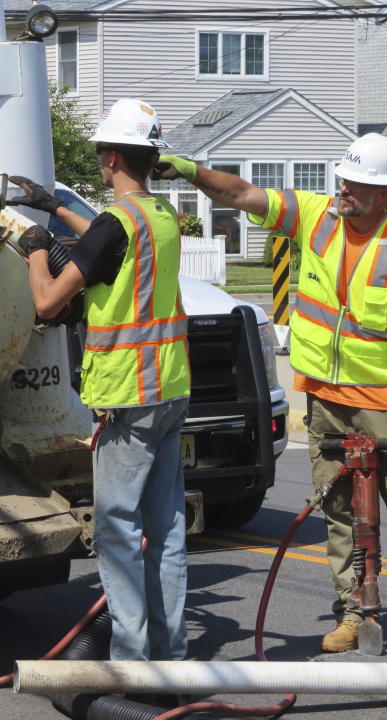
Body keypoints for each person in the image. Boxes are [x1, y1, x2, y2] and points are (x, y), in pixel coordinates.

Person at [151, 133, 387, 654]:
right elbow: (243, 194)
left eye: (356, 184)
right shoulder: (315, 215)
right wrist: (191, 171)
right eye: (343, 178)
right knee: (339, 511)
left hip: (383, 403)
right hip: (325, 398)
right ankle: (353, 614)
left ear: (382, 194)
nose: (344, 188)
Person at [7, 98, 191, 662]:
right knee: (167, 535)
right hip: (170, 390)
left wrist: (35, 250)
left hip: (127, 397)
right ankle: (170, 655)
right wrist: (54, 208)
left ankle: (130, 665)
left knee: (115, 533)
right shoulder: (158, 217)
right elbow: (109, 247)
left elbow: (45, 304)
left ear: (110, 158)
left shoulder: (118, 224)